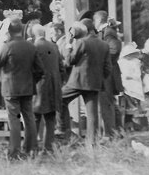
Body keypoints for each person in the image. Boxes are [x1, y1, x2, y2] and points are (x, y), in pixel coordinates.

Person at [0, 15, 44, 159]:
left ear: (8, 31)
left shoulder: (8, 46)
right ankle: (31, 148)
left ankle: (14, 152)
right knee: (29, 118)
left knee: (14, 119)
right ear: (21, 29)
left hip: (10, 89)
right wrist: (31, 80)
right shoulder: (31, 46)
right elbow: (40, 70)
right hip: (27, 88)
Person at [60, 20, 111, 149]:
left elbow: (70, 60)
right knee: (92, 114)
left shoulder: (82, 42)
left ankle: (66, 132)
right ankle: (92, 144)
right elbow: (108, 68)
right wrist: (99, 78)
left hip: (77, 81)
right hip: (94, 83)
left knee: (59, 99)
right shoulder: (104, 45)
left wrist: (68, 45)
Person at [31, 23, 63, 153]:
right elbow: (61, 67)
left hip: (39, 85)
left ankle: (33, 146)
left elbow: (32, 68)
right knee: (50, 118)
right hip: (54, 85)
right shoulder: (54, 46)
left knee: (35, 117)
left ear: (34, 35)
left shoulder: (34, 47)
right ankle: (48, 147)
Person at [95, 13, 123, 137]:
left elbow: (114, 50)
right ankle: (116, 131)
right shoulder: (107, 32)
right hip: (108, 72)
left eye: (94, 20)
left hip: (108, 73)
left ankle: (110, 133)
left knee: (106, 103)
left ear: (99, 20)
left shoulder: (108, 32)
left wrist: (100, 59)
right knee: (109, 102)